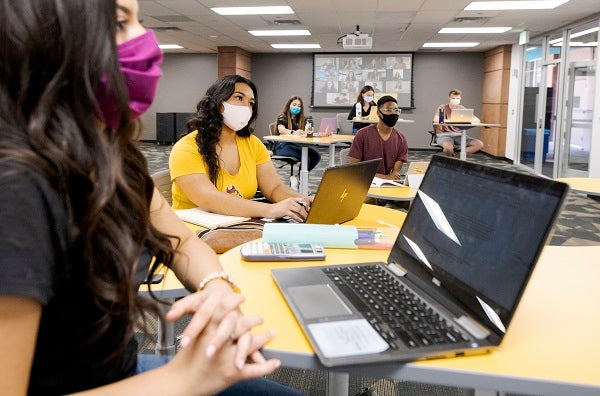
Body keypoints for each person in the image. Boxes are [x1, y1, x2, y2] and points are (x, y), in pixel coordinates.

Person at [0, 1, 307, 395]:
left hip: (120, 368)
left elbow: (181, 241)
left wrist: (214, 285)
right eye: (118, 21)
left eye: (139, 21)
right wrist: (184, 379)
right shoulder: (16, 186)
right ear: (46, 38)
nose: (148, 41)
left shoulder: (110, 153)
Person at [169, 76, 313, 222]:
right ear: (217, 103)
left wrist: (303, 201)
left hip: (235, 223)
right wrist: (270, 209)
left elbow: (274, 188)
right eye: (239, 98)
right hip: (190, 231)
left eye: (251, 103)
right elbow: (209, 199)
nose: (246, 107)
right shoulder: (186, 148)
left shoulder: (253, 144)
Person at [348, 95, 408, 180]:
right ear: (378, 113)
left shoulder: (401, 139)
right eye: (388, 110)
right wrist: (385, 177)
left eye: (396, 110)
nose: (393, 113)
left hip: (385, 185)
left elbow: (395, 173)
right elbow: (354, 168)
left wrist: (388, 178)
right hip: (362, 181)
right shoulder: (362, 134)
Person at [273, 96, 321, 173]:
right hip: (282, 146)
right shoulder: (283, 117)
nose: (296, 107)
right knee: (306, 157)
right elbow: (281, 130)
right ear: (289, 105)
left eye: (299, 106)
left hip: (295, 145)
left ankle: (298, 177)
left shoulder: (301, 119)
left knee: (316, 156)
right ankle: (301, 180)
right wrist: (293, 132)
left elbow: (306, 132)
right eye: (294, 105)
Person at [433, 88, 484, 157]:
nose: (455, 100)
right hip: (444, 134)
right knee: (448, 148)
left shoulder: (461, 108)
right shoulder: (443, 107)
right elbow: (437, 120)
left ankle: (457, 157)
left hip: (459, 135)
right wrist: (452, 120)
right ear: (449, 98)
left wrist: (467, 119)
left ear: (460, 98)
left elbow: (477, 120)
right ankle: (450, 155)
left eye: (457, 98)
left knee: (479, 144)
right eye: (453, 98)